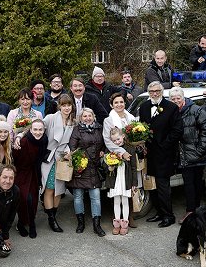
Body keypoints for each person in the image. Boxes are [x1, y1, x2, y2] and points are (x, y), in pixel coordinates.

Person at [139, 81, 183, 228]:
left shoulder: (171, 107)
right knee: (153, 186)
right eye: (152, 91)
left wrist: (164, 145)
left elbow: (177, 130)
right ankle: (159, 213)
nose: (155, 94)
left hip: (165, 153)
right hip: (149, 154)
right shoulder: (144, 107)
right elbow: (142, 128)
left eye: (157, 91)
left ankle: (168, 216)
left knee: (163, 186)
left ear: (162, 91)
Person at [169, 87, 206, 222]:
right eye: (173, 99)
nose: (176, 101)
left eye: (178, 98)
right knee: (189, 183)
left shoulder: (196, 110)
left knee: (196, 183)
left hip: (197, 154)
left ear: (183, 98)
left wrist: (199, 151)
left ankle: (193, 211)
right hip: (182, 155)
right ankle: (192, 210)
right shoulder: (171, 112)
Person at [103, 92, 140, 228]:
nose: (119, 104)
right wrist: (122, 152)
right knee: (118, 187)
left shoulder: (131, 118)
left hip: (130, 153)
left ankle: (129, 216)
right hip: (117, 154)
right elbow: (107, 140)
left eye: (121, 102)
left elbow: (135, 135)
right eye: (116, 102)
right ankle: (117, 218)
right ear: (112, 105)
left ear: (125, 103)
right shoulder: (109, 120)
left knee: (129, 185)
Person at [40, 94, 75, 233]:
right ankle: (51, 219)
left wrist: (70, 152)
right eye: (64, 105)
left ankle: (53, 214)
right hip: (49, 157)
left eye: (69, 105)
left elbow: (73, 140)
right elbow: (36, 129)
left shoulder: (73, 121)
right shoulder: (50, 118)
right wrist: (20, 136)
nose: (66, 108)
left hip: (62, 157)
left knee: (59, 190)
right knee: (49, 188)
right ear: (59, 106)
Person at [68, 108, 106, 236]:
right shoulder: (77, 129)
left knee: (96, 197)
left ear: (93, 116)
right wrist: (79, 158)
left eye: (90, 115)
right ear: (81, 118)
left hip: (94, 167)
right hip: (81, 167)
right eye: (85, 116)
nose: (87, 118)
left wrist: (103, 150)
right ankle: (81, 222)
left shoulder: (99, 128)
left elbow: (105, 142)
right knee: (78, 196)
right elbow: (72, 146)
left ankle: (97, 225)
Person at [12, 119, 48, 238]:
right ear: (30, 130)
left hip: (34, 173)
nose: (38, 132)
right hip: (21, 173)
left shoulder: (44, 140)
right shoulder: (22, 142)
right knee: (24, 198)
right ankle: (21, 223)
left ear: (44, 130)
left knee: (32, 200)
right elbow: (14, 160)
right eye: (35, 130)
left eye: (40, 130)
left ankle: (31, 223)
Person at [105, 127, 137, 235]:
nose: (117, 142)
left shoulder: (130, 149)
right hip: (115, 180)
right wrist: (109, 167)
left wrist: (134, 184)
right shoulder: (110, 149)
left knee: (125, 201)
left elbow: (133, 168)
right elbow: (104, 163)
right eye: (114, 141)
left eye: (118, 139)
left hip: (125, 179)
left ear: (123, 136)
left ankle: (125, 224)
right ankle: (117, 224)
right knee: (116, 201)